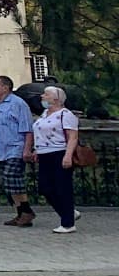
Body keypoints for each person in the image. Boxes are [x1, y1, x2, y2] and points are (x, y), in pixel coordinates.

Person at [0, 75, 35, 226]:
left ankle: (27, 211)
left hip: (15, 147)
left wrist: (27, 149)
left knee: (13, 177)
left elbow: (27, 128)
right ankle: (21, 213)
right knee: (8, 182)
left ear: (5, 87)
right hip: (0, 148)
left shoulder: (18, 104)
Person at [32, 85, 82, 234]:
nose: (42, 97)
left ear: (56, 99)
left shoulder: (65, 114)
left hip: (59, 152)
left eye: (45, 95)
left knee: (62, 187)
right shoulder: (44, 114)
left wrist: (68, 155)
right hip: (44, 153)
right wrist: (37, 148)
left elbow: (72, 136)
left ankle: (67, 223)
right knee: (45, 187)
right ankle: (68, 212)